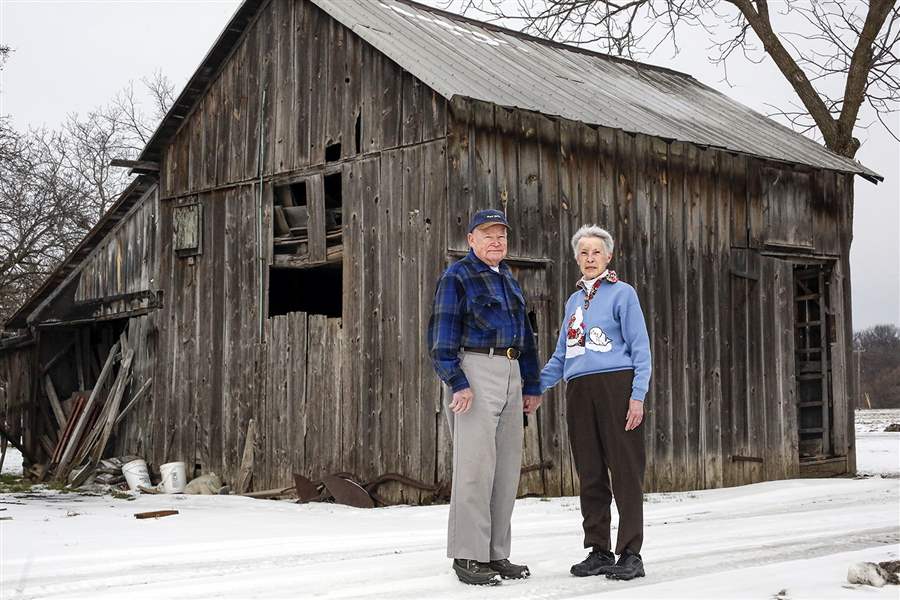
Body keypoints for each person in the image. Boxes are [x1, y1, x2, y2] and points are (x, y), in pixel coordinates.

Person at [427, 209, 542, 586]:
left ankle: (495, 554)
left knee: (506, 470)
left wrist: (531, 384)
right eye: (488, 234)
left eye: (502, 236)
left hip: (511, 371)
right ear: (471, 239)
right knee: (475, 469)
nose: (497, 241)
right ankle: (468, 556)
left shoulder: (508, 278)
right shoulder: (457, 276)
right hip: (475, 372)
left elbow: (525, 336)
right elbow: (441, 337)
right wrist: (457, 382)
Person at [535, 224, 651, 581]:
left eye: (596, 252)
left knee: (625, 471)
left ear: (608, 256)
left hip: (616, 386)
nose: (589, 258)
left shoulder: (623, 293)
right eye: (583, 253)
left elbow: (640, 348)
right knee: (590, 472)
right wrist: (534, 388)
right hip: (579, 389)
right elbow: (561, 356)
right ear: (576, 258)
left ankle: (631, 552)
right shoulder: (573, 302)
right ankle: (598, 549)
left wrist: (637, 396)